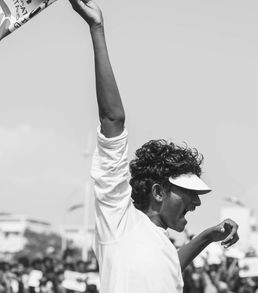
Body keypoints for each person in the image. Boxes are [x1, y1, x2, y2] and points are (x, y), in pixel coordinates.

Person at [68, 0, 240, 292]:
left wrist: (205, 238)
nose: (197, 203)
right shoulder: (119, 220)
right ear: (159, 192)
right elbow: (113, 118)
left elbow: (168, 265)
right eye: (190, 194)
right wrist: (97, 28)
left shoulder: (158, 239)